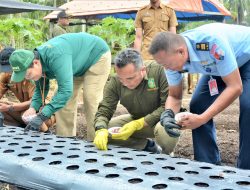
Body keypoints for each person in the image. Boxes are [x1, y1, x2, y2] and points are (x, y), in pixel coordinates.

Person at [149, 23, 250, 169]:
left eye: (168, 64)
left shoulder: (210, 44)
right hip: (219, 66)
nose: (167, 68)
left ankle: (246, 168)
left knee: (248, 106)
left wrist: (202, 119)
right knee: (198, 104)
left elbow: (235, 87)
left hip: (247, 57)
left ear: (181, 52)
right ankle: (207, 163)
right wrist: (168, 114)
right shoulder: (170, 60)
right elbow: (175, 96)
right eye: (163, 65)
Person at [9, 33, 111, 141]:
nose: (29, 78)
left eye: (28, 75)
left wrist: (43, 116)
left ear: (36, 62)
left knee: (91, 98)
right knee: (63, 102)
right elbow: (40, 89)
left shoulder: (56, 56)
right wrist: (33, 108)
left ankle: (97, 140)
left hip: (96, 56)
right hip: (75, 64)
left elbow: (65, 91)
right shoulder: (36, 63)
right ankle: (66, 140)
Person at [93, 48, 179, 154]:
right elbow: (104, 109)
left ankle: (166, 157)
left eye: (130, 78)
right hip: (137, 119)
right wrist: (100, 129)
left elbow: (168, 107)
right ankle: (147, 146)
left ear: (143, 70)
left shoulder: (161, 71)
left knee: (166, 134)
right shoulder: (115, 81)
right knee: (106, 130)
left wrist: (138, 124)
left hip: (164, 119)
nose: (125, 83)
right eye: (121, 79)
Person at [0, 47, 55, 131]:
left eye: (10, 69)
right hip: (23, 110)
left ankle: (43, 132)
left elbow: (35, 101)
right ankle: (20, 130)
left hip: (40, 110)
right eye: (5, 69)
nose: (8, 72)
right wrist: (7, 107)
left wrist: (10, 107)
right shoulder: (6, 75)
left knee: (28, 116)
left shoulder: (31, 74)